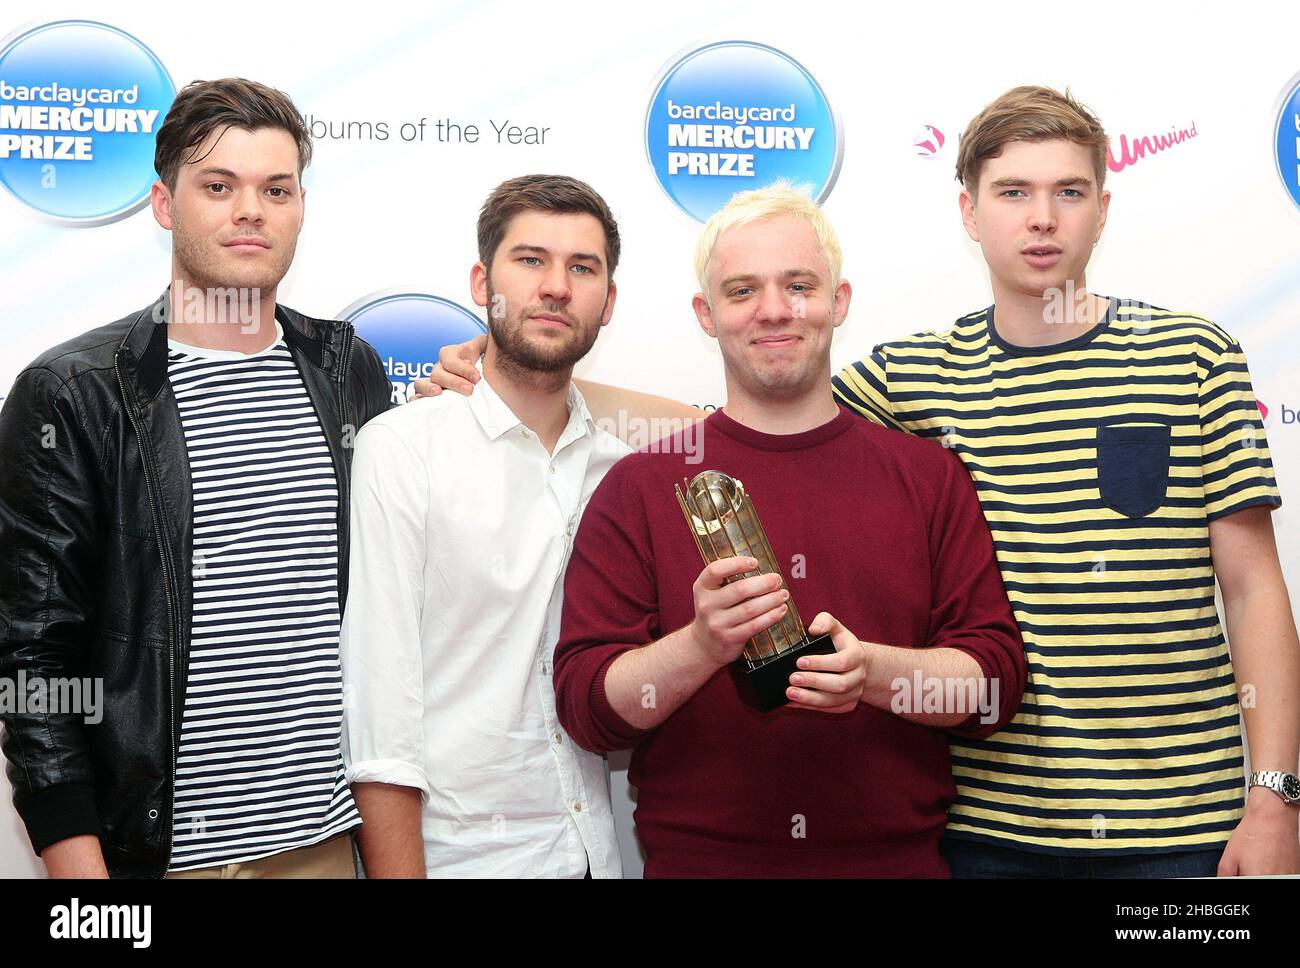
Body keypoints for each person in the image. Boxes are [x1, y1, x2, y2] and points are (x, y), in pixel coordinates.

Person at [424, 86, 1300, 878]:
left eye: (1068, 192)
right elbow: (752, 414)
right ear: (970, 210)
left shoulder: (1185, 358)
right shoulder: (917, 377)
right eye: (1013, 192)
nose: (1042, 220)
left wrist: (1278, 796)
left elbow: (1252, 590)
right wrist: (519, 375)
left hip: (1187, 825)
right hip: (993, 831)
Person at [550, 183, 1026, 877]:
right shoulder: (639, 489)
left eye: (798, 284)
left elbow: (992, 688)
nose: (774, 309)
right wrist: (702, 644)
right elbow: (590, 709)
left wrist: (874, 674)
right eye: (742, 291)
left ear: (838, 300)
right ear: (706, 315)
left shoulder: (927, 478)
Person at [0, 77, 391, 879]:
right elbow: (33, 662)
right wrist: (84, 884)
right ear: (164, 203)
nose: (252, 210)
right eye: (219, 186)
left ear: (300, 206)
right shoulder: (75, 391)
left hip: (323, 851)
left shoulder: (347, 368)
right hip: (153, 863)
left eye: (275, 189)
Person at [339, 175, 633, 877]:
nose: (556, 287)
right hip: (461, 861)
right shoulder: (403, 447)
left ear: (609, 300)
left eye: (582, 268)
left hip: (594, 851)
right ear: (482, 281)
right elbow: (381, 711)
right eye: (530, 260)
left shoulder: (621, 473)